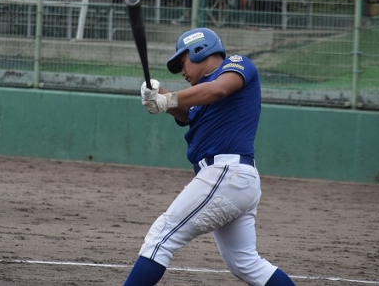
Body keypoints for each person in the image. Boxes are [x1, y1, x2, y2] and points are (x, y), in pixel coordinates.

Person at [127, 27, 297, 286]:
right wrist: (158, 94)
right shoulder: (201, 95)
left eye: (182, 63)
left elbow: (218, 90)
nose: (182, 72)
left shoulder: (236, 64)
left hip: (226, 173)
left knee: (161, 237)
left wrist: (168, 99)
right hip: (235, 181)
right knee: (246, 263)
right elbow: (187, 114)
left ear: (198, 51)